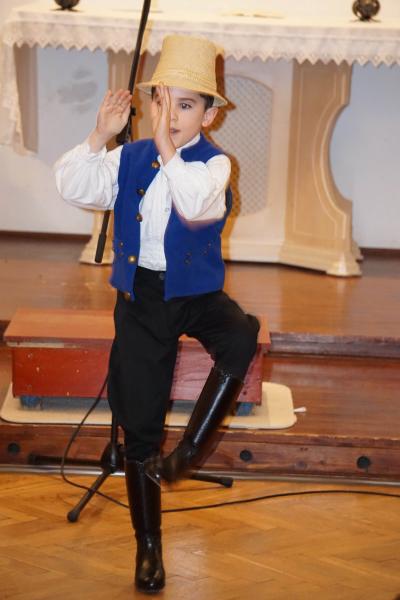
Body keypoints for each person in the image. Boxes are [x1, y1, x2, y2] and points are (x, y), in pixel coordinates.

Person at [54, 34, 259, 594]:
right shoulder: (130, 157)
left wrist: (168, 147)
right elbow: (74, 186)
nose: (170, 116)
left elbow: (192, 205)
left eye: (185, 105)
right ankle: (148, 546)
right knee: (140, 428)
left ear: (209, 115)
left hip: (194, 292)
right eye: (163, 102)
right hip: (142, 297)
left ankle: (188, 453)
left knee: (240, 334)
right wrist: (99, 135)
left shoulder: (216, 166)